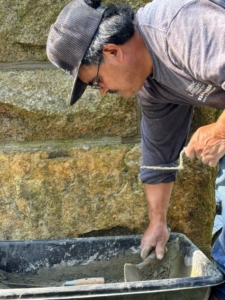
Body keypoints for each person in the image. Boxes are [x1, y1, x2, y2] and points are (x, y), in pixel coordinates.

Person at [46, 0, 225, 298]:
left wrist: (218, 131)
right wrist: (158, 223)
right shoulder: (152, 86)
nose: (103, 92)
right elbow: (158, 157)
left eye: (97, 81)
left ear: (113, 52)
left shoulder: (179, 28)